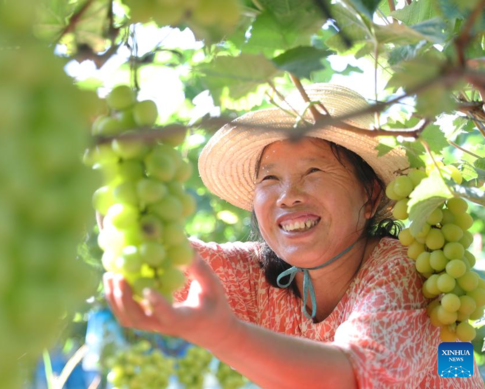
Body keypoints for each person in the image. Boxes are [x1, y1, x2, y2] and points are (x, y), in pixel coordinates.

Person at [103, 84, 485, 388]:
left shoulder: (401, 271)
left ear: (370, 195)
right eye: (269, 178)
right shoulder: (260, 275)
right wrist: (113, 168)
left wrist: (223, 333)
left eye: (314, 171)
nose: (287, 196)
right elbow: (156, 255)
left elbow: (347, 377)